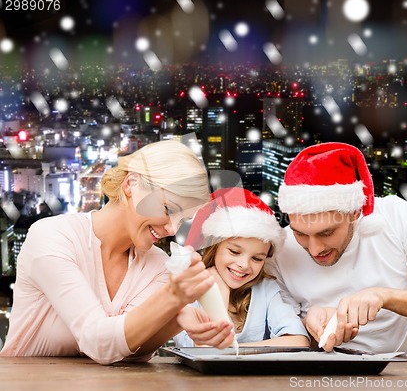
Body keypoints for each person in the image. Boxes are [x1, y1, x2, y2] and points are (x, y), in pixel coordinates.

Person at [0, 140, 235, 365]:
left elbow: (127, 352)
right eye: (168, 209)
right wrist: (172, 299)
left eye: (183, 219)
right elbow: (96, 342)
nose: (173, 229)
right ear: (131, 184)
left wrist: (175, 319)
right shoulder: (52, 236)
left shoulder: (157, 265)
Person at [265, 142, 407, 355]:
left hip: (399, 374)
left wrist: (385, 297)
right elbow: (282, 338)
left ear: (355, 213)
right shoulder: (281, 250)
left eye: (326, 233)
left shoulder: (394, 217)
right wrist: (310, 326)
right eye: (300, 234)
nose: (314, 249)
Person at [173, 187, 310, 348]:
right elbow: (203, 350)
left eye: (257, 258)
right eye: (234, 251)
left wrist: (234, 349)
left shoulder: (266, 290)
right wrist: (220, 297)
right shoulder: (187, 293)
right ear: (214, 246)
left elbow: (299, 341)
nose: (244, 265)